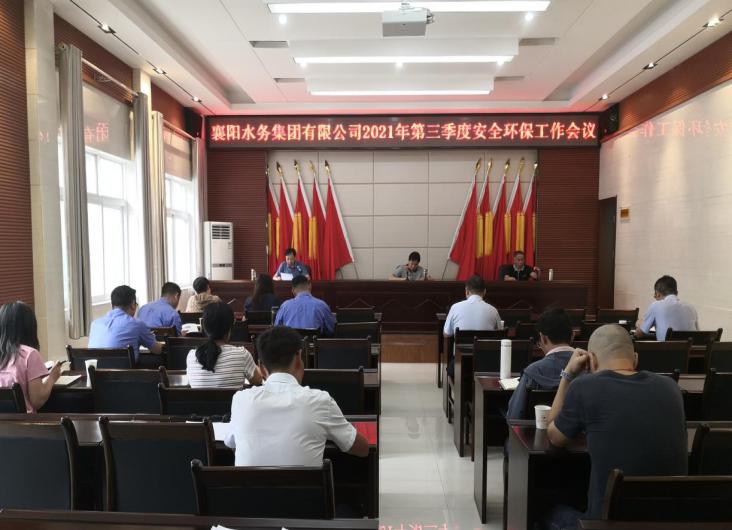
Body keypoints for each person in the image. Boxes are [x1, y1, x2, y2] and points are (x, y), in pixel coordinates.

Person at [544, 324, 687, 529]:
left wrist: (567, 375)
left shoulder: (584, 387)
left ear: (591, 360)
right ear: (635, 359)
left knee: (548, 510)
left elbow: (554, 436)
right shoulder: (671, 388)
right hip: (668, 522)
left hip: (605, 524)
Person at [224, 325, 369, 466]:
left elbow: (230, 442)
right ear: (299, 359)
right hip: (309, 484)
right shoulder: (320, 401)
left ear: (261, 368)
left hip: (249, 484)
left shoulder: (241, 400)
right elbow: (362, 449)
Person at [506, 308, 574, 419]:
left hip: (536, 429)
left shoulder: (533, 371)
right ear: (572, 336)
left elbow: (514, 415)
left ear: (543, 338)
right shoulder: (589, 367)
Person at [0, 301, 61, 412]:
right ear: (29, 327)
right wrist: (52, 378)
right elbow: (37, 401)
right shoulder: (29, 354)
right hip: (24, 422)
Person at [186, 301, 262, 388]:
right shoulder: (242, 354)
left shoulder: (192, 356)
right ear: (230, 328)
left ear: (205, 327)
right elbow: (258, 381)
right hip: (234, 398)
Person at [443, 275, 501, 377]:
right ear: (484, 292)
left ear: (466, 291)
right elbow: (499, 333)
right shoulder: (493, 310)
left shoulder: (455, 307)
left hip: (460, 364)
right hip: (486, 364)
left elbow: (446, 334)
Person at [88, 285, 163, 360]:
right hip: (124, 368)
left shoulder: (95, 324)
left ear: (112, 305)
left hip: (94, 367)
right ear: (133, 304)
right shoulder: (137, 324)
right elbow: (157, 350)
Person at [635, 275, 698, 341]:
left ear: (657, 294)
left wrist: (639, 325)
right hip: (692, 347)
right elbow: (697, 333)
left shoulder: (655, 306)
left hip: (667, 347)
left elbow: (639, 334)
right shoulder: (692, 308)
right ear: (676, 293)